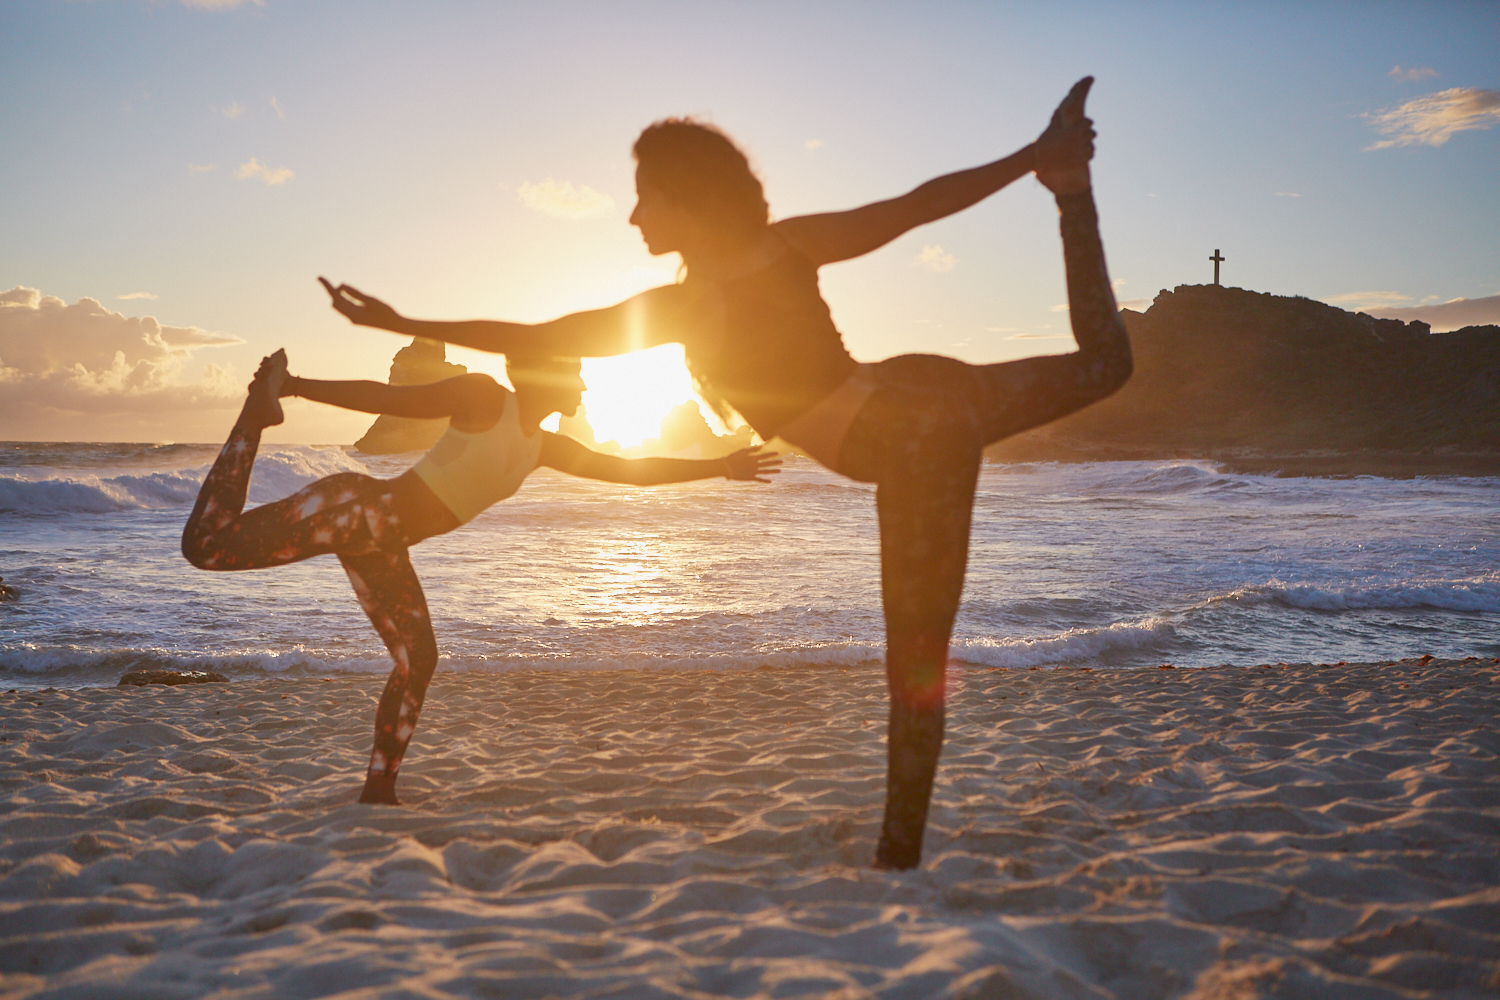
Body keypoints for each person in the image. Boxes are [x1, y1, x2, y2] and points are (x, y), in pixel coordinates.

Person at [320, 78, 1131, 867]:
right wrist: (1035, 157)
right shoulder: (771, 254)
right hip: (918, 392)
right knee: (1105, 366)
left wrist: (403, 320)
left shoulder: (696, 303)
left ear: (688, 197)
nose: (633, 213)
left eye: (646, 195)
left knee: (914, 658)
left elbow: (911, 207)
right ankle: (1071, 188)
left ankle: (898, 857)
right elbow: (912, 205)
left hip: (918, 435)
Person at [182, 349, 780, 805]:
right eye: (575, 372)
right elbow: (388, 397)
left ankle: (379, 791)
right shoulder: (484, 397)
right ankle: (256, 417)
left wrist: (720, 467)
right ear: (543, 376)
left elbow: (632, 470)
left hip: (381, 540)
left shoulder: (542, 445)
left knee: (420, 658)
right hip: (358, 512)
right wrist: (296, 386)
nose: (584, 384)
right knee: (205, 549)